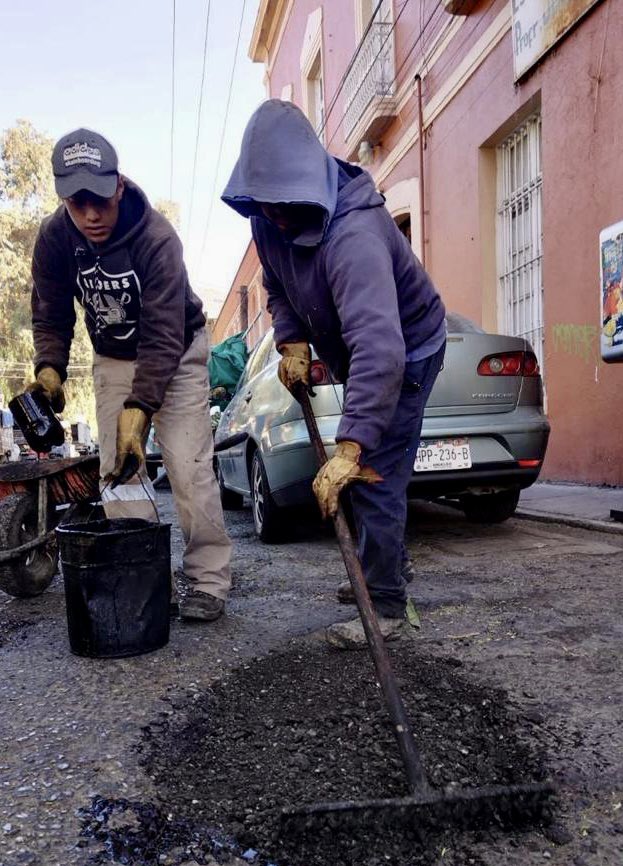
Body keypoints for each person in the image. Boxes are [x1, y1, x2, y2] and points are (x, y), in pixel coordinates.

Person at [222, 100, 446, 650]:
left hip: (408, 351)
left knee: (373, 471)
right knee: (366, 468)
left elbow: (381, 349)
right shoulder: (269, 217)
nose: (273, 217)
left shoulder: (355, 236)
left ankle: (388, 607)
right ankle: (382, 570)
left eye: (282, 205)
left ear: (306, 182)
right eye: (265, 204)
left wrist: (350, 447)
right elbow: (278, 284)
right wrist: (291, 338)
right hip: (362, 351)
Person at [29, 128, 231, 622]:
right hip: (113, 357)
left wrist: (140, 410)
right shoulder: (56, 239)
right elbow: (51, 310)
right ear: (64, 199)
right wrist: (50, 368)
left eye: (99, 199)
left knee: (187, 466)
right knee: (120, 472)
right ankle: (144, 579)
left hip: (177, 352)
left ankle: (208, 580)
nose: (92, 215)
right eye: (78, 204)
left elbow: (163, 334)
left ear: (118, 185)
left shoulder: (157, 238)